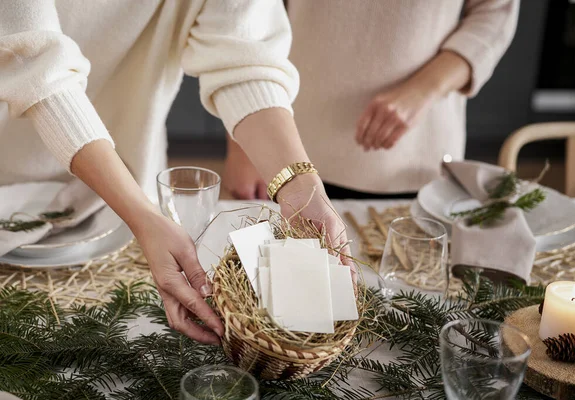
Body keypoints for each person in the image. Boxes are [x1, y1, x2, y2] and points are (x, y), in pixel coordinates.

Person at [0, 1, 347, 345]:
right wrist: (143, 216)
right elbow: (32, 63)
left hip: (127, 191)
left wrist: (300, 184)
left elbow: (245, 56)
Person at [223, 0, 520, 200]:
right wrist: (244, 141)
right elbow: (250, 13)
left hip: (412, 155)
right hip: (284, 143)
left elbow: (494, 14)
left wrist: (423, 89)